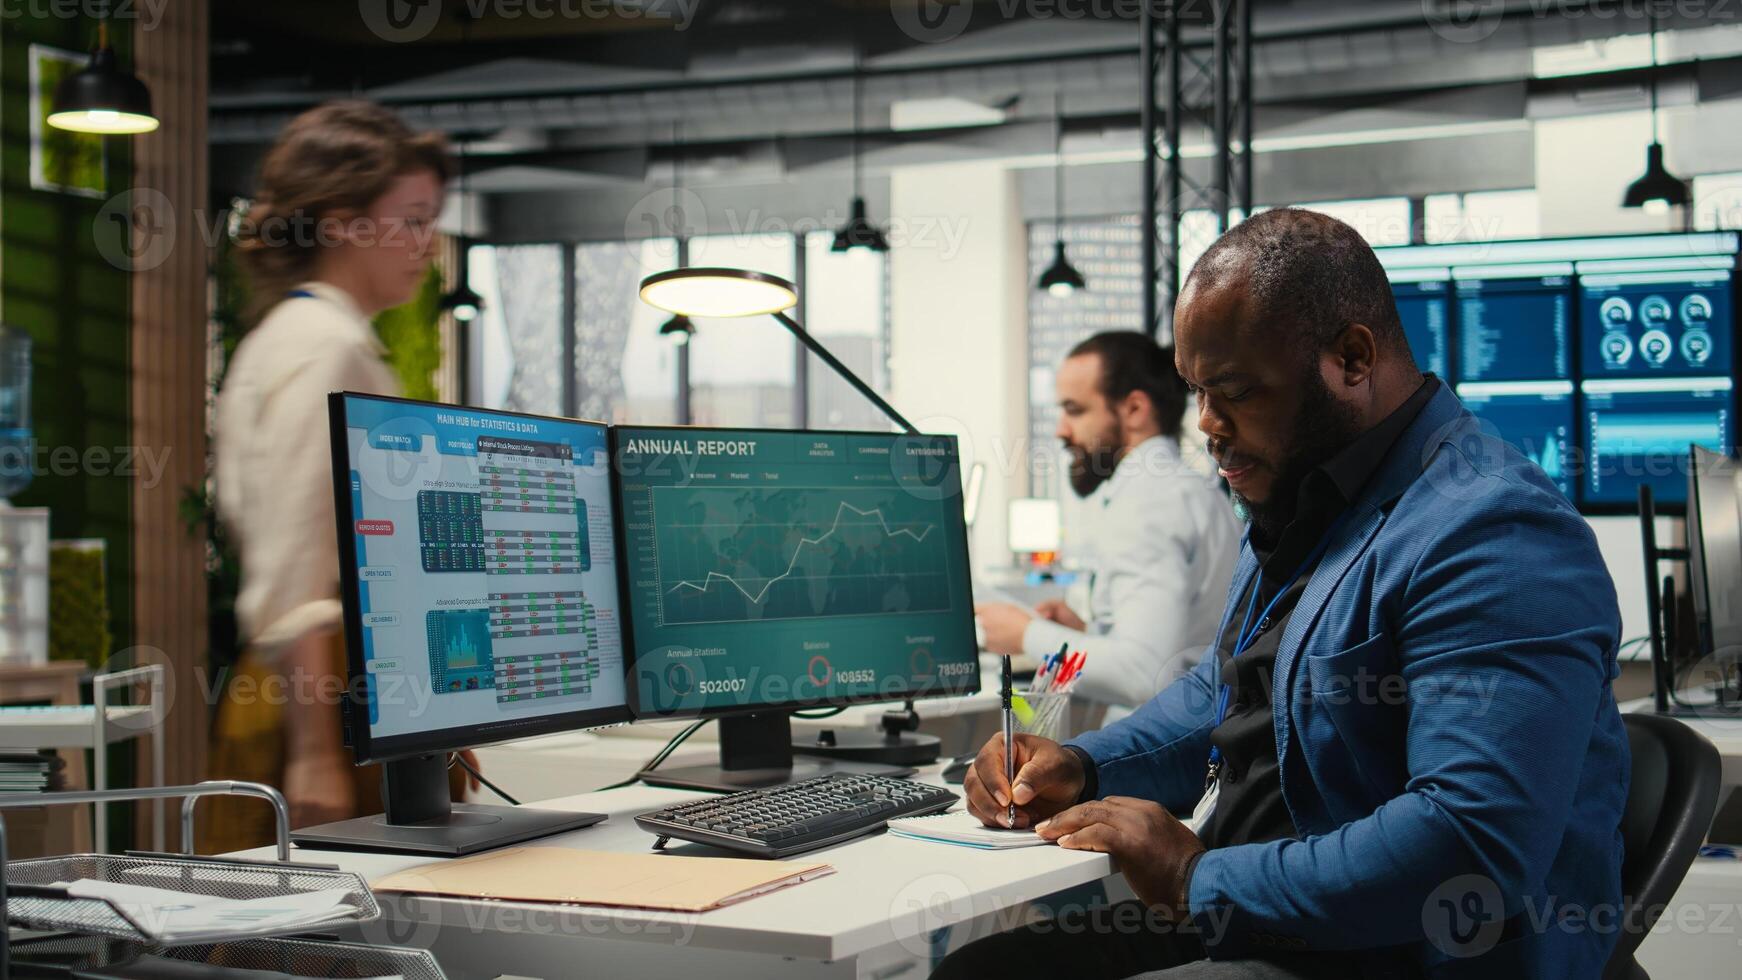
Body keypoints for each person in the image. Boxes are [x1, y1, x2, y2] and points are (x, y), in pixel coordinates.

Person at [940, 209, 1629, 979]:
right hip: (1275, 915)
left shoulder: (1493, 529)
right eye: (1197, 390)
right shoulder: (1311, 491)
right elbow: (1224, 693)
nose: (1207, 424)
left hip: (1401, 954)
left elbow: (1471, 841)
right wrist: (1081, 764)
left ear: (1353, 359)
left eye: (1234, 391)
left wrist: (1196, 878)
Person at [205, 100, 469, 851]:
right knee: (315, 953)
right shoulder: (323, 346)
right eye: (414, 219)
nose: (430, 244)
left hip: (341, 693)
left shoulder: (308, 337)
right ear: (343, 223)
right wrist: (317, 752)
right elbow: (295, 573)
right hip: (321, 701)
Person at [975, 333, 1239, 712]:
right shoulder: (1189, 490)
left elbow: (1146, 673)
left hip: (1158, 754)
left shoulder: (1148, 502)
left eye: (1075, 410)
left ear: (1133, 409)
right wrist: (1086, 635)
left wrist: (1025, 633)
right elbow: (1178, 644)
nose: (1060, 430)